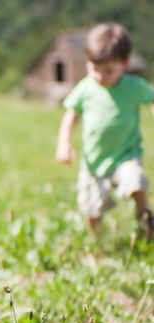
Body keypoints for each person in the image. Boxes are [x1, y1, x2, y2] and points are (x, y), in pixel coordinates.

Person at [56, 23, 154, 239]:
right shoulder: (86, 87)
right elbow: (71, 115)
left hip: (127, 155)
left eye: (108, 70)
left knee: (136, 181)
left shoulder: (134, 86)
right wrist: (64, 144)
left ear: (125, 64)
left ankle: (143, 214)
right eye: (94, 68)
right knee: (92, 209)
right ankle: (97, 240)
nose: (100, 76)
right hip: (94, 163)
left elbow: (152, 98)